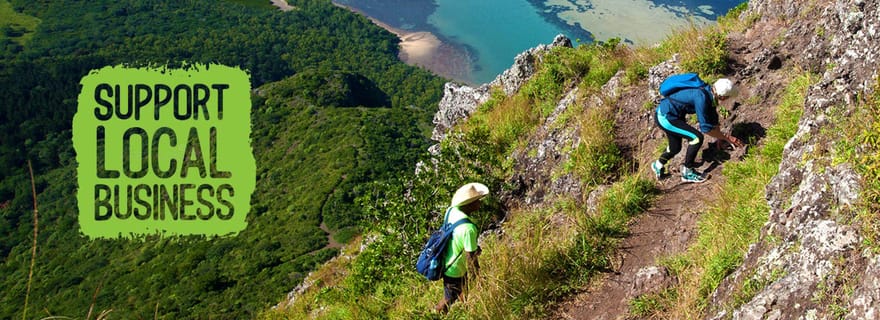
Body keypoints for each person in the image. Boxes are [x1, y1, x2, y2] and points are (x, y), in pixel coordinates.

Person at [652, 77, 744, 183]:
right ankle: (687, 172)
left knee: (675, 147)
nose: (727, 100)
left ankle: (657, 166)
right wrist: (727, 137)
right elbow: (705, 128)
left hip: (670, 115)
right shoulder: (702, 98)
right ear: (723, 97)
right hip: (666, 117)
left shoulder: (709, 92)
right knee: (696, 138)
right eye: (728, 98)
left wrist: (720, 138)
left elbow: (713, 118)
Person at [434, 182, 488, 314]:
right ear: (469, 205)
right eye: (477, 201)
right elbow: (471, 255)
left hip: (446, 260)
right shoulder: (468, 228)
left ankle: (466, 310)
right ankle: (435, 314)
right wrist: (477, 274)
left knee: (462, 290)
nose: (480, 204)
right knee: (449, 298)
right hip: (455, 269)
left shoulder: (451, 211)